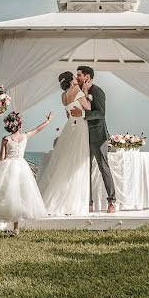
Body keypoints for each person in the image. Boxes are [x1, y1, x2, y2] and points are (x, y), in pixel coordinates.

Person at [0, 111, 51, 235]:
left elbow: (1, 157)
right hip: (22, 166)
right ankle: (16, 227)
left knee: (8, 194)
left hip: (9, 166)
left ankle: (12, 225)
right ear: (19, 125)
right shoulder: (25, 136)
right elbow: (38, 129)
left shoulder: (6, 139)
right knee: (20, 195)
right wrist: (48, 121)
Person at [38, 71, 91, 216]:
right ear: (71, 80)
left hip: (69, 126)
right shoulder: (77, 90)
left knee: (65, 160)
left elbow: (68, 113)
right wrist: (86, 91)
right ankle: (71, 202)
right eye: (74, 77)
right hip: (79, 125)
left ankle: (57, 197)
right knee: (77, 160)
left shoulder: (63, 96)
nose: (76, 78)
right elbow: (88, 107)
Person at [76, 66, 116, 213]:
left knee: (103, 168)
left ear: (87, 77)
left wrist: (83, 115)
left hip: (98, 137)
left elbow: (101, 113)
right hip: (83, 136)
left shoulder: (98, 91)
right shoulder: (80, 92)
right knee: (85, 170)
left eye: (79, 75)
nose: (77, 77)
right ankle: (88, 202)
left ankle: (112, 201)